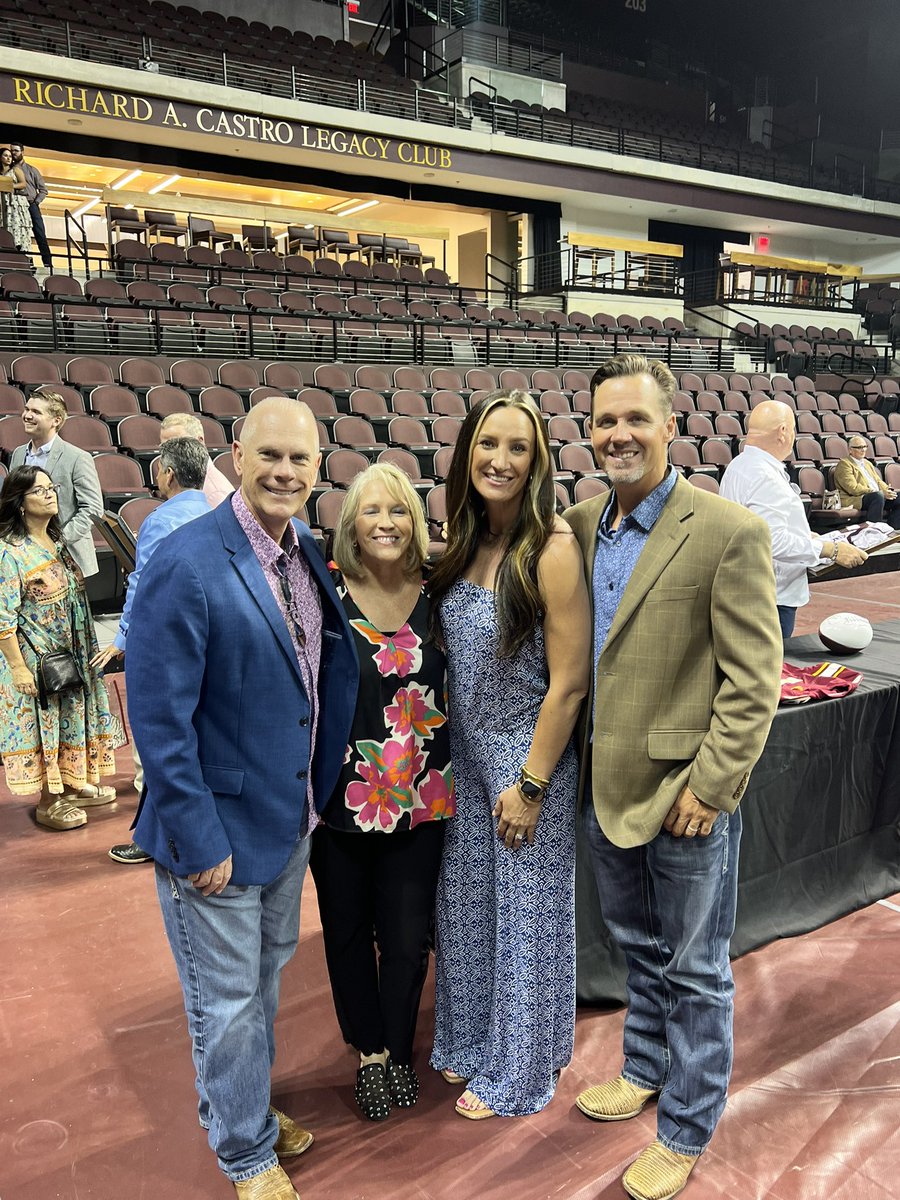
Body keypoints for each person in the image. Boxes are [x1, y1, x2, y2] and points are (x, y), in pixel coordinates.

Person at [125, 397, 358, 1200]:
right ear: (236, 453)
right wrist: (196, 837)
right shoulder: (186, 560)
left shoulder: (306, 554)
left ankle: (243, 1106)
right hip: (214, 833)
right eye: (270, 455)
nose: (285, 471)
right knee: (225, 1004)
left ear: (319, 466)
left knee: (261, 986)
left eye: (300, 459)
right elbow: (157, 718)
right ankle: (245, 1151)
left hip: (287, 819)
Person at [564, 354, 783, 1200]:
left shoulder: (728, 530)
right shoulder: (581, 524)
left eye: (636, 420)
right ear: (591, 431)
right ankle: (646, 1065)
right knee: (636, 948)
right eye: (606, 421)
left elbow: (753, 679)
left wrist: (713, 787)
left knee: (695, 969)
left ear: (670, 426)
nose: (620, 433)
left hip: (688, 795)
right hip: (605, 788)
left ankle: (687, 1127)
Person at [428, 389, 590, 1120]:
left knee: (525, 919)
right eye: (487, 444)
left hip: (529, 756)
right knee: (465, 909)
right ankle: (472, 1042)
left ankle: (521, 1068)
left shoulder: (549, 548)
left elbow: (571, 683)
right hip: (465, 755)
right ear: (467, 453)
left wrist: (530, 785)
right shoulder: (464, 540)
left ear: (537, 462)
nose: (500, 459)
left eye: (517, 447)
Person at [310, 463, 455, 1121]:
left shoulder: (439, 592)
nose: (387, 523)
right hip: (340, 796)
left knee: (405, 936)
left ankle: (398, 1049)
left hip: (422, 799)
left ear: (416, 523)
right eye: (371, 511)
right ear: (350, 524)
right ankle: (367, 1050)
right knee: (346, 932)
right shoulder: (324, 593)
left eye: (399, 511)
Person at [90, 437, 211, 865]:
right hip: (208, 643)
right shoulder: (218, 512)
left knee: (159, 745)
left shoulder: (160, 521)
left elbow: (142, 585)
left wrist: (122, 639)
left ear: (168, 474)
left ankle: (155, 839)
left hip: (165, 644)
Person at [0, 466, 123, 830]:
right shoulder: (9, 552)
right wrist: (19, 668)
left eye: (51, 488)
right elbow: (2, 618)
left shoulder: (57, 541)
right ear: (19, 503)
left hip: (72, 654)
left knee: (73, 719)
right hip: (37, 660)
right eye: (40, 491)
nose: (50, 494)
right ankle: (48, 801)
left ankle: (70, 783)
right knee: (45, 727)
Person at [719, 400, 867, 639]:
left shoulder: (740, 466)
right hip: (769, 598)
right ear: (783, 432)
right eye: (794, 428)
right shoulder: (764, 475)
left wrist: (805, 535)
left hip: (749, 591)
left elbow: (756, 526)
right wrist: (831, 549)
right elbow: (772, 540)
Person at [9, 392, 104, 579]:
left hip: (68, 558)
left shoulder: (77, 458)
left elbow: (93, 509)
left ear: (56, 420)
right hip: (25, 558)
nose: (27, 415)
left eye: (36, 411)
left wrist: (56, 540)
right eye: (27, 409)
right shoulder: (18, 454)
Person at [159, 412, 234, 507]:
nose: (169, 452)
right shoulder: (177, 480)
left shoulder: (216, 494)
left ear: (200, 441)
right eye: (164, 447)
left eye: (178, 444)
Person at [834, 436, 900, 527]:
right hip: (857, 498)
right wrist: (877, 491)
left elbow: (878, 481)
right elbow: (853, 488)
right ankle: (874, 531)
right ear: (850, 450)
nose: (863, 450)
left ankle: (892, 529)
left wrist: (887, 490)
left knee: (898, 496)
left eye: (865, 446)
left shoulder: (867, 463)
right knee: (877, 496)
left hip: (875, 495)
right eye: (859, 447)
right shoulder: (844, 464)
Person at [9, 142, 52, 270]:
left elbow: (43, 190)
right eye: (12, 151)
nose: (13, 153)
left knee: (40, 234)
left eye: (16, 151)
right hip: (14, 205)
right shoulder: (7, 169)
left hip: (30, 204)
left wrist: (36, 202)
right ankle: (23, 262)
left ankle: (48, 264)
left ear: (22, 152)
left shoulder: (32, 170)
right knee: (19, 234)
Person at [0, 146, 33, 253]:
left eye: (10, 156)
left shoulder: (15, 170)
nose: (8, 158)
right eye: (5, 156)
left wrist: (9, 185)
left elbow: (23, 184)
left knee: (16, 225)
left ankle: (20, 250)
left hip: (14, 201)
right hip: (2, 202)